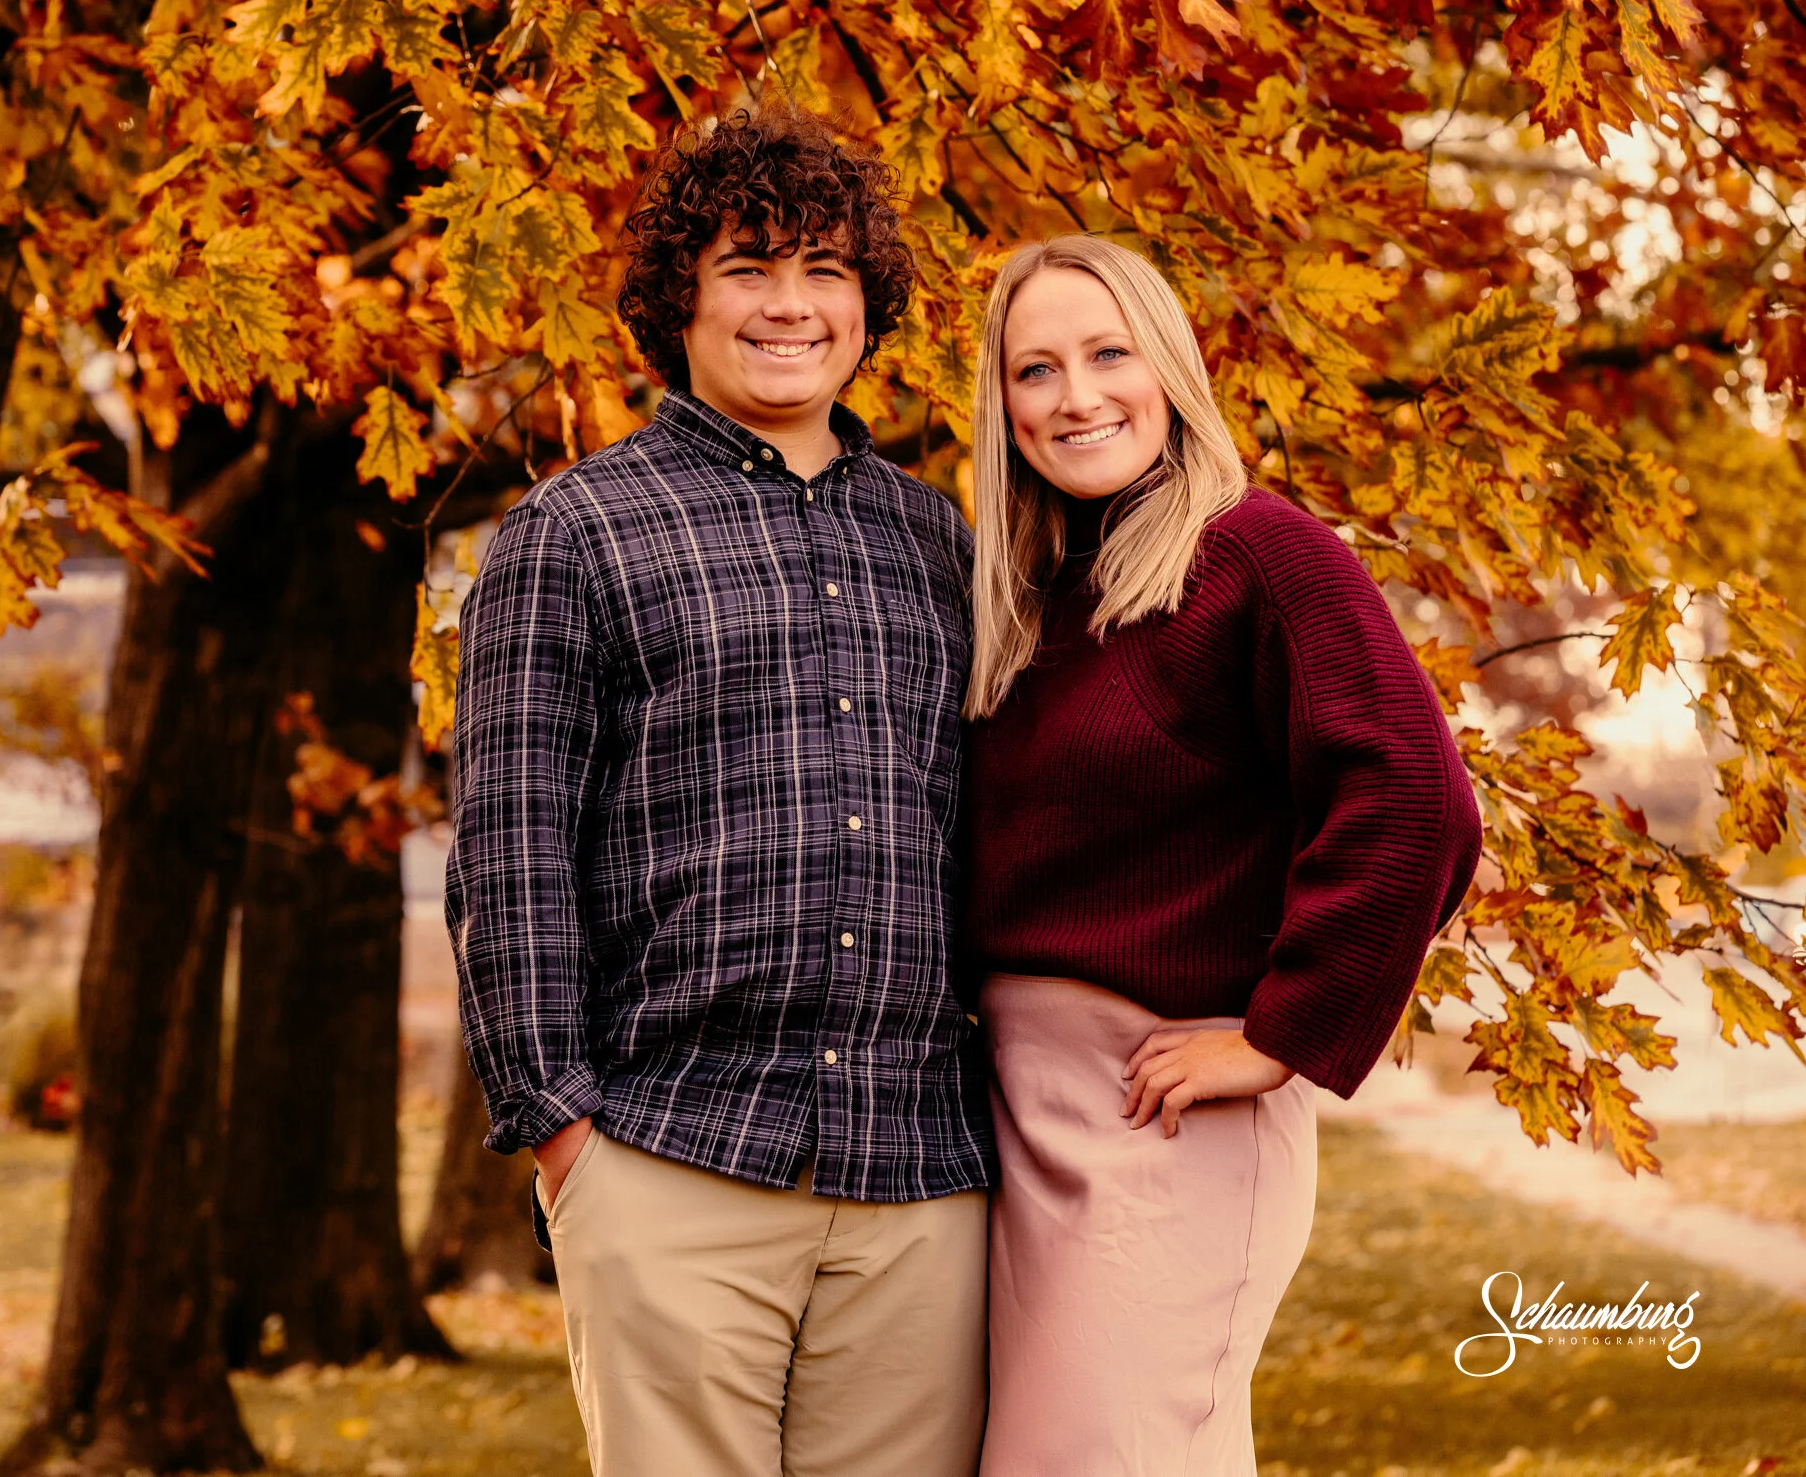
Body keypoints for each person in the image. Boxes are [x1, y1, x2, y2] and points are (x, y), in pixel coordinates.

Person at [445, 105, 993, 1477]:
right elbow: (508, 858)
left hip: (917, 1170)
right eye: (750, 265)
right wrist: (566, 1138)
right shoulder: (571, 533)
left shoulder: (939, 539)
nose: (790, 303)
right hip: (670, 1150)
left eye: (824, 268)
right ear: (678, 296)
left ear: (869, 302)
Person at [959, 235, 1482, 1475]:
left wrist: (1278, 1033)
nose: (1075, 395)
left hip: (1164, 1103)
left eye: (1106, 353)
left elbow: (1416, 798)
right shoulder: (1032, 598)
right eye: (1035, 369)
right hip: (1010, 1109)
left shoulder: (1257, 552)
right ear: (1004, 406)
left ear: (1169, 366)